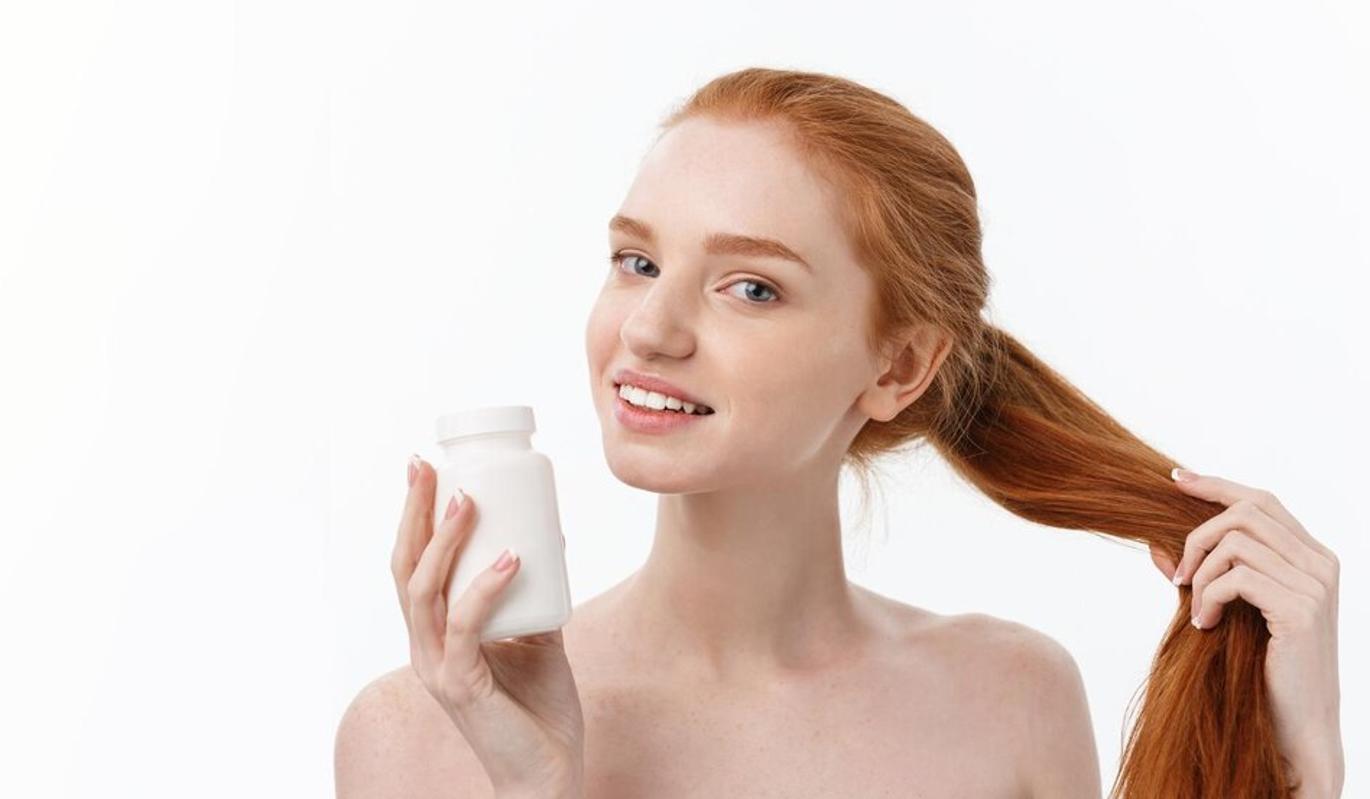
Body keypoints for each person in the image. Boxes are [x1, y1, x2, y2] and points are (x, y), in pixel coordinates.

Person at [335, 68, 1344, 798]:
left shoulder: (1010, 699)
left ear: (898, 367)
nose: (647, 328)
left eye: (750, 287)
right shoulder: (423, 735)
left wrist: (1302, 760)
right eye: (636, 262)